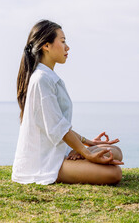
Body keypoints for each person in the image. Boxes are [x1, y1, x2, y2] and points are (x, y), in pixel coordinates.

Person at [12, 20, 124, 185]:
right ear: (46, 45)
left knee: (115, 152)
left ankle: (75, 160)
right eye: (63, 41)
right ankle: (73, 163)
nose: (67, 47)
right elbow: (57, 127)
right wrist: (85, 152)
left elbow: (59, 124)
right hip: (43, 162)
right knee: (114, 173)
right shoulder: (41, 79)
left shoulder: (47, 77)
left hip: (57, 151)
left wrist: (88, 143)